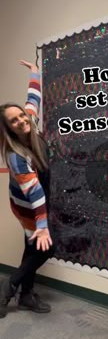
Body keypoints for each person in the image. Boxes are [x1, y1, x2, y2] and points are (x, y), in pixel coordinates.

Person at [0, 60, 55, 318]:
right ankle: (7, 288)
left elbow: (33, 98)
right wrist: (42, 226)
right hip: (27, 204)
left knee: (31, 247)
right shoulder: (15, 156)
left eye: (21, 115)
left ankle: (26, 296)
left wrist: (35, 72)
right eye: (14, 120)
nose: (21, 120)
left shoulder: (29, 122)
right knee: (46, 247)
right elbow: (34, 193)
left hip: (40, 195)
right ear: (7, 129)